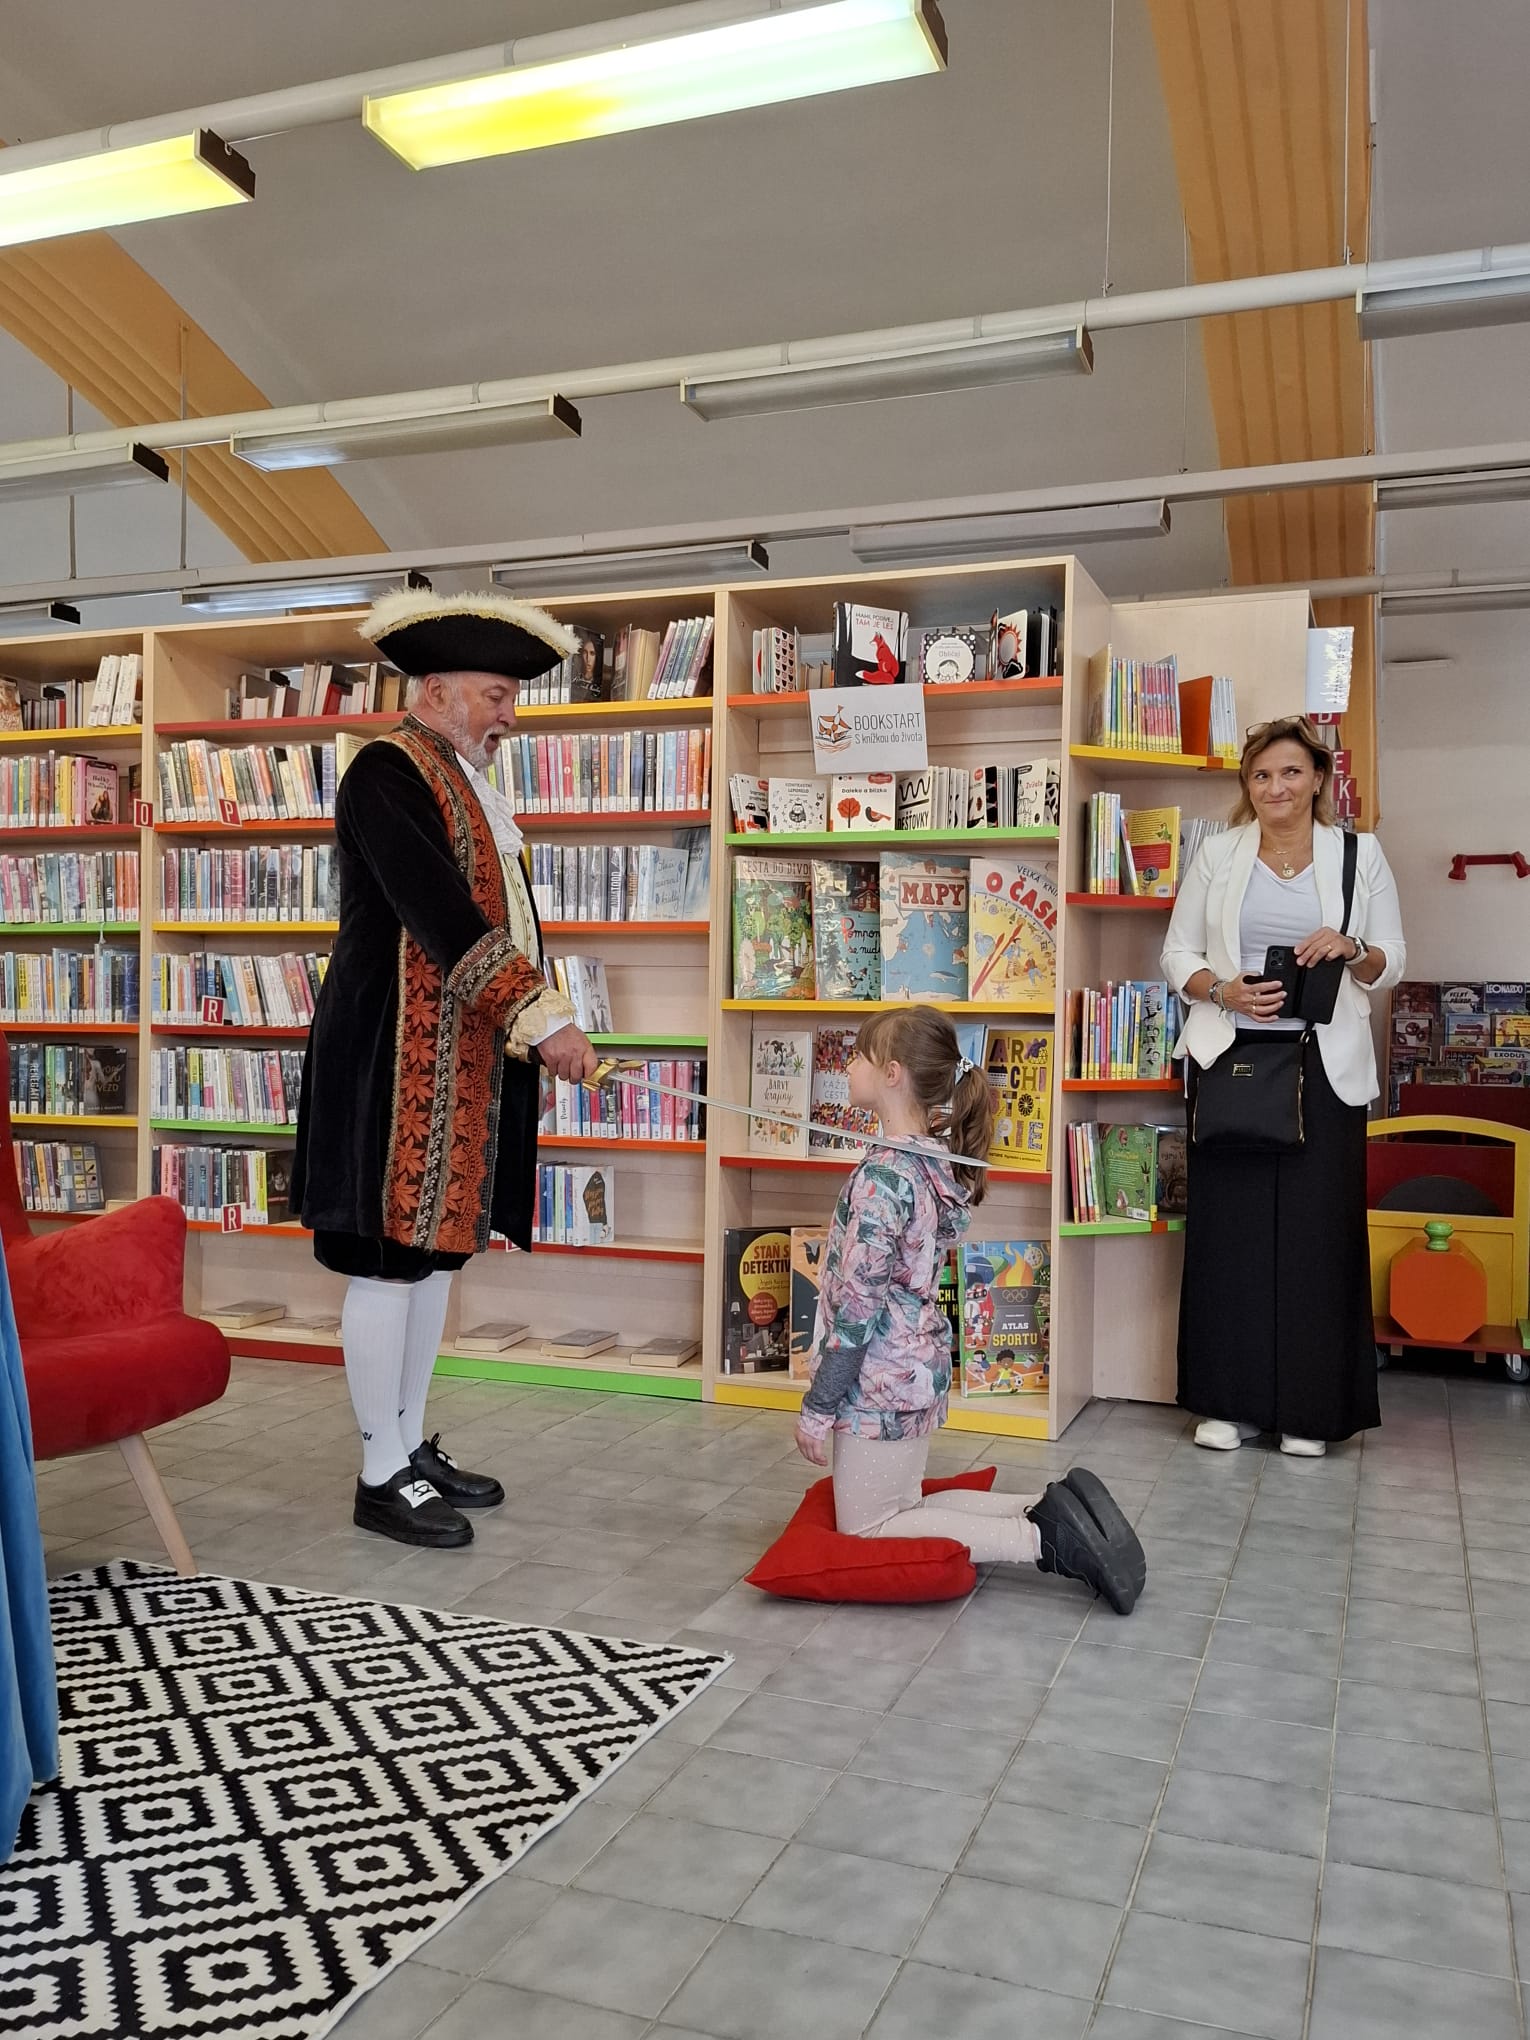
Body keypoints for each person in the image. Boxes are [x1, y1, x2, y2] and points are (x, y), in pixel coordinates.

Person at [292, 588, 598, 1549]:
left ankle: (406, 1444)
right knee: (386, 1262)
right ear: (436, 691)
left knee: (429, 1262)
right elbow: (439, 910)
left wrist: (528, 1019)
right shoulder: (386, 771)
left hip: (455, 1058)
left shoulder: (460, 779)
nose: (509, 717)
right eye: (497, 696)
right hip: (387, 1057)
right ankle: (378, 1474)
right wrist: (543, 1016)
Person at [793, 1006, 1145, 1614]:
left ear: (892, 1074)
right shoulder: (931, 1161)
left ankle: (1042, 1540)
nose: (846, 1066)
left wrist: (819, 1406)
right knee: (903, 1504)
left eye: (858, 1056)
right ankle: (1045, 1507)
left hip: (879, 1380)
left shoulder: (883, 1178)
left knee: (870, 1528)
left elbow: (856, 1310)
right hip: (915, 1366)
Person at [1162, 714, 1406, 1457]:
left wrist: (1352, 947)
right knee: (1229, 1238)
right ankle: (1227, 1405)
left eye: (1292, 772)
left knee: (1317, 1239)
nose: (1277, 787)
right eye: (1262, 774)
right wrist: (1222, 990)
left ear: (1319, 779)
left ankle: (1310, 1413)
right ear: (1248, 784)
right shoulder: (1218, 853)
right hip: (1232, 1061)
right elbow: (1177, 953)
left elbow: (1391, 959)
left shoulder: (1359, 854)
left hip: (1325, 1068)